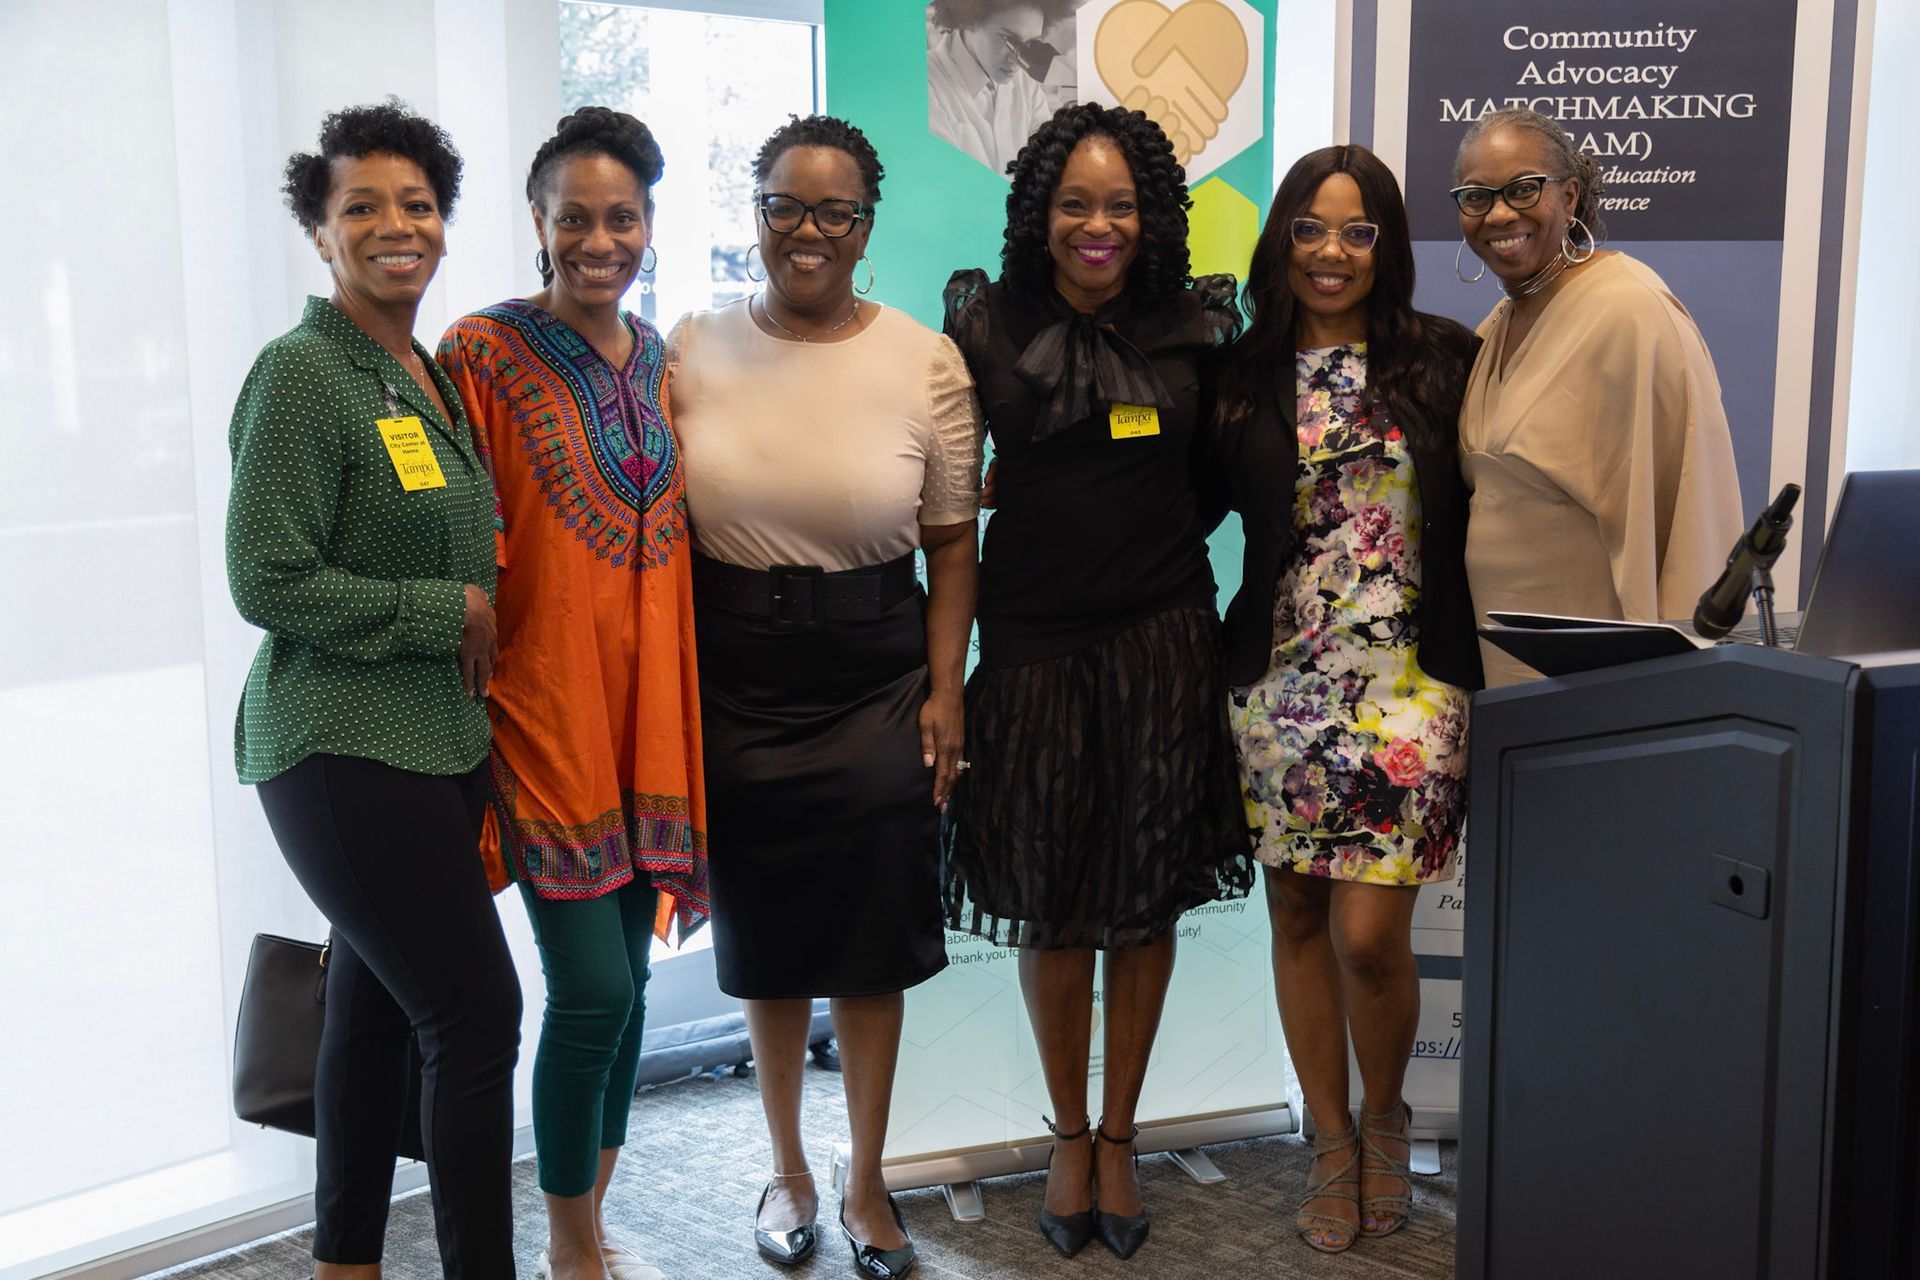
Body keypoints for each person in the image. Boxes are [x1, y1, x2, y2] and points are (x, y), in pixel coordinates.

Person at [667, 114, 983, 1279]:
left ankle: (865, 1180)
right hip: (736, 670)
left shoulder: (924, 360)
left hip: (876, 669)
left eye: (834, 210)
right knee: (766, 937)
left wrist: (946, 687)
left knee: (868, 941)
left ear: (867, 224)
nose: (808, 231)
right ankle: (789, 1168)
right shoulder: (690, 345)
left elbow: (953, 542)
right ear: (753, 209)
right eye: (784, 205)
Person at [941, 101, 1254, 1262]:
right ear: (1040, 209)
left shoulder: (1197, 322)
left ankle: (1123, 1132)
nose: (1099, 224)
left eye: (1120, 203)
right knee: (1050, 894)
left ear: (1152, 212)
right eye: (1076, 201)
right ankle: (1066, 1131)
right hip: (1027, 650)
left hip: (1162, 641)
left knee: (1144, 899)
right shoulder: (984, 320)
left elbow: (1224, 476)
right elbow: (944, 479)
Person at [225, 101, 519, 1280]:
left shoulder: (423, 371)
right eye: (363, 206)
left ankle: (345, 1261)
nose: (396, 225)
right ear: (320, 231)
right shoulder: (303, 373)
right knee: (477, 1015)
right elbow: (266, 575)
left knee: (376, 1010)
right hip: (341, 746)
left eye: (416, 203)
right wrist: (439, 612)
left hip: (437, 742)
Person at [437, 107, 704, 1280]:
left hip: (650, 712)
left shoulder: (656, 356)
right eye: (576, 218)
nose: (602, 240)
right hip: (544, 711)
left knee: (634, 988)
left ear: (649, 224)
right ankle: (568, 1235)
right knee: (590, 990)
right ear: (537, 222)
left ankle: (589, 1214)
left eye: (624, 217)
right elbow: (458, 535)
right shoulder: (481, 352)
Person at [1212, 144, 1482, 1254]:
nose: (1331, 251)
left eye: (1357, 230)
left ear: (1388, 246)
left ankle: (1384, 1114)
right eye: (1311, 228)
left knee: (1371, 930)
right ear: (1281, 239)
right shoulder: (1237, 377)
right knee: (1294, 914)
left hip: (1410, 684)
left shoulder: (1442, 360)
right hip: (1280, 681)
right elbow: (1167, 507)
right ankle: (1329, 1138)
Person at [1449, 107, 1743, 687]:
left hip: (1594, 681)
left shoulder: (1631, 313)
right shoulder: (1498, 323)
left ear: (1571, 196)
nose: (1499, 212)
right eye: (1476, 196)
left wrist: (1677, 692)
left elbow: (1684, 518)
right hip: (1506, 672)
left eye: (1523, 189)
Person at [926, 0, 1071, 174]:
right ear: (968, 19)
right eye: (1007, 39)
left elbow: (1047, 167)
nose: (1017, 60)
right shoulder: (924, 83)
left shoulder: (1026, 85)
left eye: (1030, 43)